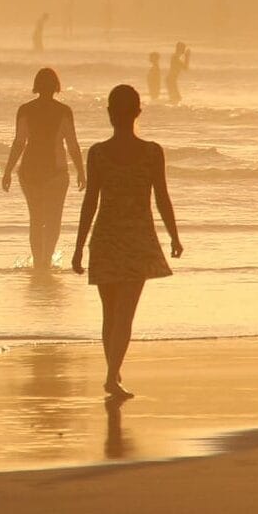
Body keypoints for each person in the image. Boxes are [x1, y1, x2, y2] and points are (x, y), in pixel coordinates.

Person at [72, 85, 181, 399]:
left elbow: (90, 202)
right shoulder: (151, 152)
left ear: (109, 114)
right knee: (125, 314)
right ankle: (111, 376)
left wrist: (79, 246)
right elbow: (162, 197)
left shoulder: (98, 153)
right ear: (137, 113)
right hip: (137, 240)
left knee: (110, 313)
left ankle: (113, 372)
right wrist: (173, 235)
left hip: (104, 238)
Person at [1, 68, 86, 271]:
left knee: (36, 219)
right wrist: (81, 171)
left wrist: (8, 171)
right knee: (53, 219)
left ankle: (39, 262)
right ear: (56, 86)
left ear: (36, 86)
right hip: (56, 172)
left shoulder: (25, 110)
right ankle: (46, 261)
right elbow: (72, 145)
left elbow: (19, 142)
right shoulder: (64, 111)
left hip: (29, 172)